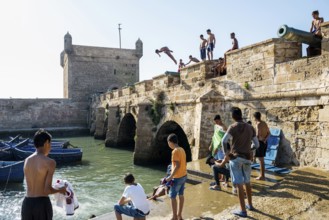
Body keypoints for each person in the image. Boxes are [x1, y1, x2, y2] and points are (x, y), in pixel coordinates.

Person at [222, 107, 259, 218]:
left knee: (238, 184)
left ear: (233, 116)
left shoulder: (232, 127)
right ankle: (250, 205)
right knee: (247, 182)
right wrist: (249, 149)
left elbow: (223, 141)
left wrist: (226, 154)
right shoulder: (250, 127)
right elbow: (257, 145)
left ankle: (243, 211)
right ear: (241, 115)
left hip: (236, 158)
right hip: (247, 158)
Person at [21, 129, 67, 220]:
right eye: (50, 144)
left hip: (27, 204)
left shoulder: (27, 161)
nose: (50, 148)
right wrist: (61, 189)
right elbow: (47, 190)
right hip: (41, 204)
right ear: (46, 143)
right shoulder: (50, 162)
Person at [165, 133, 187, 220]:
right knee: (181, 195)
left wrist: (170, 176)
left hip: (177, 177)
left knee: (172, 197)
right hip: (184, 175)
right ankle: (179, 215)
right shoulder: (182, 149)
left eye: (168, 143)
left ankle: (174, 216)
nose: (168, 145)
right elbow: (183, 163)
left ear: (170, 142)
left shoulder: (175, 151)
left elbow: (177, 165)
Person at [253, 112, 270, 181]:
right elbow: (269, 133)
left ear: (255, 117)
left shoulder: (258, 124)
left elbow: (257, 135)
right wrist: (265, 140)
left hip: (260, 142)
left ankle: (262, 176)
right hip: (265, 142)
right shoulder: (264, 123)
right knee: (262, 160)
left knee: (261, 160)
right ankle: (262, 175)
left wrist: (253, 143)